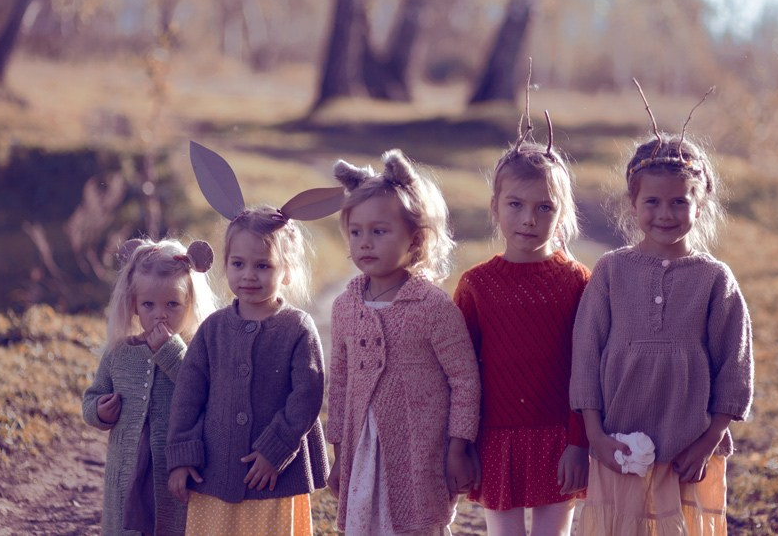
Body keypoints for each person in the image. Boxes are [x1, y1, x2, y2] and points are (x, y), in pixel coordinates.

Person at [570, 125, 754, 534]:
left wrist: (708, 441)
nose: (665, 214)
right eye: (652, 201)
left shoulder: (714, 278)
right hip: (620, 440)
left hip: (689, 442)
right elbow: (586, 352)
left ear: (700, 205)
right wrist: (595, 434)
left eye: (678, 202)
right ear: (632, 203)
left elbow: (735, 366)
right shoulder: (612, 271)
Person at [167, 142, 340, 536]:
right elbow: (189, 394)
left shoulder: (297, 328)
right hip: (213, 467)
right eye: (238, 263)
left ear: (287, 272)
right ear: (225, 264)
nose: (249, 275)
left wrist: (274, 450)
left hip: (271, 475)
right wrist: (181, 456)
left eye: (263, 265)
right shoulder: (213, 330)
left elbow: (306, 397)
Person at [326, 149, 481, 535]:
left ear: (414, 240)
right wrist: (338, 454)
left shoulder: (432, 307)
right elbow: (341, 384)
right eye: (356, 231)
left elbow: (464, 379)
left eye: (379, 231)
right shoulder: (346, 306)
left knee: (417, 524)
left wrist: (459, 447)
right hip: (363, 450)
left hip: (419, 449)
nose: (365, 243)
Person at [453, 120, 590, 535]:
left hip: (560, 436)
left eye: (544, 207)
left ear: (562, 213)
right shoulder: (477, 285)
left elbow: (588, 368)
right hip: (495, 440)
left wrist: (579, 443)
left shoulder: (578, 282)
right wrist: (461, 444)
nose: (528, 219)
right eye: (515, 205)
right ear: (495, 207)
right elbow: (459, 372)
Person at [82, 237, 217, 536]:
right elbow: (93, 396)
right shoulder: (119, 352)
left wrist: (171, 350)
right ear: (133, 305)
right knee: (128, 521)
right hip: (129, 467)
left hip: (176, 468)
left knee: (173, 524)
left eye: (172, 304)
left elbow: (203, 392)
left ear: (190, 304)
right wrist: (99, 412)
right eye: (148, 304)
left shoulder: (196, 350)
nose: (160, 314)